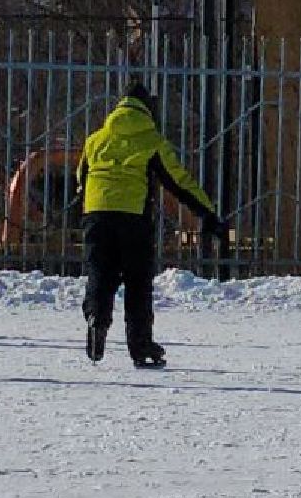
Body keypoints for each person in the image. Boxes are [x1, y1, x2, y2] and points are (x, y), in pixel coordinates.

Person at [74, 78, 228, 369]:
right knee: (137, 282)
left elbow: (81, 177)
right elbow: (178, 181)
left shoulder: (95, 139)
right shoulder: (151, 140)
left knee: (100, 274)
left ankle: (96, 319)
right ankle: (141, 346)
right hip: (133, 216)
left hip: (96, 214)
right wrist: (208, 214)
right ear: (147, 110)